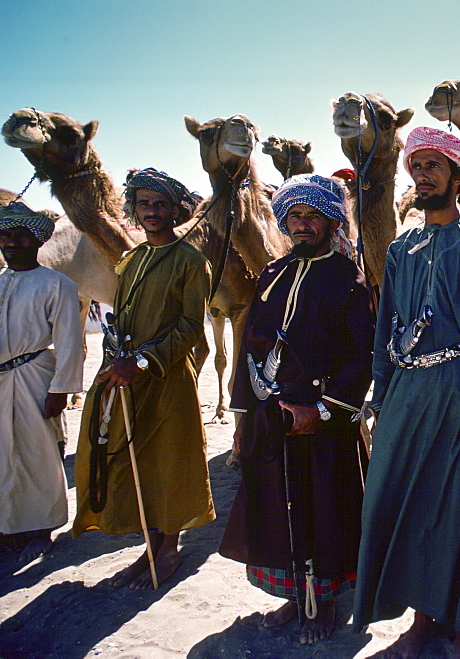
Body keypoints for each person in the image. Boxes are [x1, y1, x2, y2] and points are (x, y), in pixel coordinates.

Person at [353, 126, 460, 659]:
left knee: (458, 505)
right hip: (406, 390)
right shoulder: (401, 248)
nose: (422, 175)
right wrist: (379, 398)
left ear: (457, 175)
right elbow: (385, 330)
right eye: (416, 166)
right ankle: (421, 620)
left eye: (433, 166)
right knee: (402, 498)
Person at [219, 174, 375, 645]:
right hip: (271, 414)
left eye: (313, 216)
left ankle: (321, 601)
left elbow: (362, 356)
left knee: (324, 508)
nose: (302, 224)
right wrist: (244, 417)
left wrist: (323, 409)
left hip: (322, 420)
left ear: (331, 221)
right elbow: (250, 347)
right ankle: (293, 596)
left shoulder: (349, 279)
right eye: (294, 216)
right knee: (277, 505)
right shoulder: (271, 274)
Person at [73, 168, 215, 590]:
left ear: (176, 211)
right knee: (138, 462)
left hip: (167, 377)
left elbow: (191, 328)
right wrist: (117, 361)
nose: (152, 212)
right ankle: (150, 547)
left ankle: (169, 548)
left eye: (160, 205)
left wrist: (143, 362)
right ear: (134, 210)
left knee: (170, 462)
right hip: (127, 377)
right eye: (144, 204)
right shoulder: (132, 259)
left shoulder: (191, 261)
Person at [0, 201, 83, 562]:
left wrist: (60, 389)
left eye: (21, 236)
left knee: (40, 452)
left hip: (35, 376)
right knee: (4, 455)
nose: (12, 243)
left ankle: (41, 527)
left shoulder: (57, 284)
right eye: (5, 236)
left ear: (36, 241)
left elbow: (68, 342)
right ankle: (7, 527)